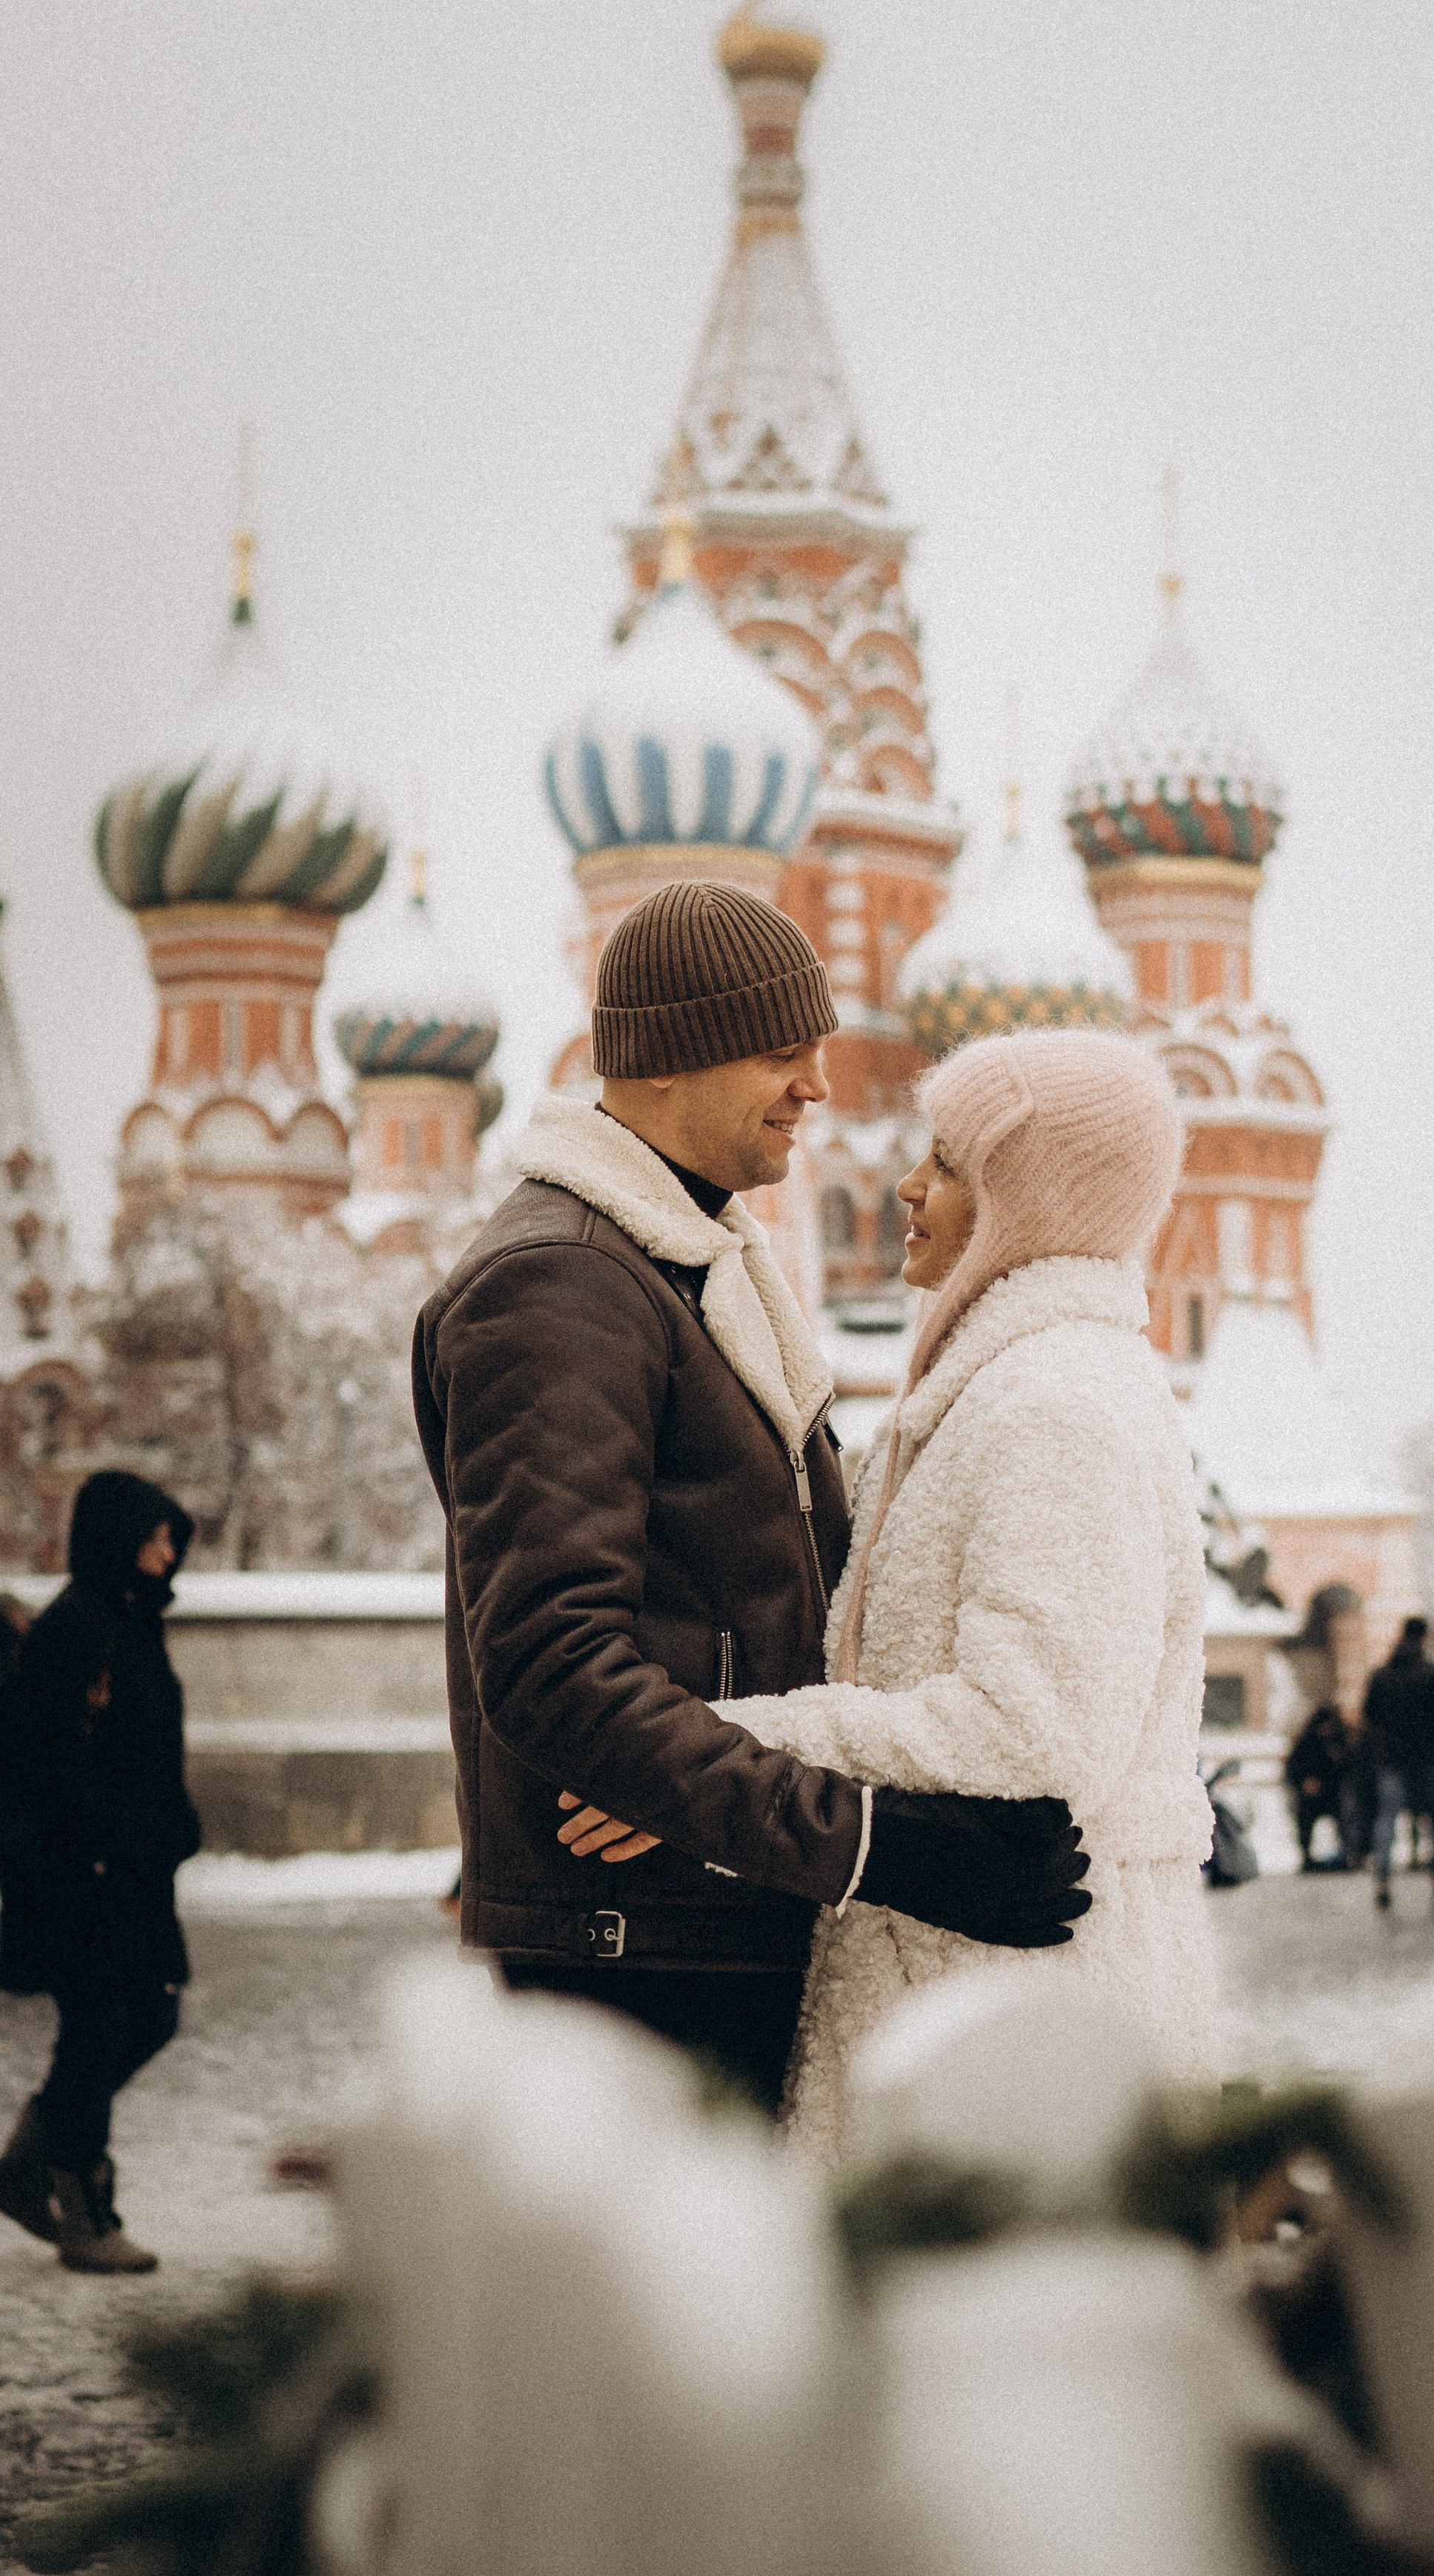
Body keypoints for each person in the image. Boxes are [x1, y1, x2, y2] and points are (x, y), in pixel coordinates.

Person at [412, 885, 1088, 2115]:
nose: (818, 1085)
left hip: (699, 1904)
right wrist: (869, 1843)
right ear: (673, 1053)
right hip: (635, 1944)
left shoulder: (686, 1265)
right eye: (785, 1050)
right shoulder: (565, 1281)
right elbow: (554, 1665)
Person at [651, 1026, 1219, 2162]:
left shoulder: (1056, 1408)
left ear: (1032, 1201)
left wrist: (722, 1747)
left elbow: (1035, 1727)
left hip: (1021, 2018)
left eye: (951, 1165)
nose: (906, 1188)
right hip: (968, 1986)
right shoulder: (1002, 1391)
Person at [0, 1472, 201, 2271]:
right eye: (151, 1536)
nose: (165, 1551)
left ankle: (25, 2164)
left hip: (136, 1872)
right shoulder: (77, 1625)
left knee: (150, 2017)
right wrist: (92, 1838)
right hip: (83, 1874)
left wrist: (171, 1825)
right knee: (98, 2030)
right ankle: (84, 2211)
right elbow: (31, 1752)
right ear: (116, 1538)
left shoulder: (131, 1622)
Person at [1364, 1618, 1434, 1913]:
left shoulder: (1381, 1675)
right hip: (1427, 1759)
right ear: (1424, 1638)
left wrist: (1385, 1744)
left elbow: (1369, 1715)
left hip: (1392, 1759)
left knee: (1387, 1821)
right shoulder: (1433, 1674)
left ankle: (1382, 1880)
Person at [1284, 1702, 1355, 1870]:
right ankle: (1306, 1855)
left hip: (1334, 1794)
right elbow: (1293, 1769)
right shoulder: (1306, 1743)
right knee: (1305, 1815)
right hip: (1311, 1796)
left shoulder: (1340, 1743)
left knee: (1348, 1811)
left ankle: (1348, 1853)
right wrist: (1305, 1783)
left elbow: (1349, 1769)